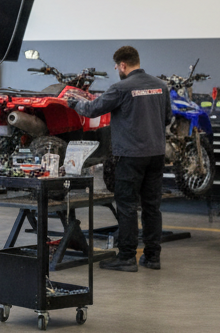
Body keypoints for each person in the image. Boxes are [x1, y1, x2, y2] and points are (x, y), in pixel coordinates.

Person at [68, 46, 170, 272]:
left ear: (123, 65)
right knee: (152, 207)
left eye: (116, 66)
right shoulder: (160, 86)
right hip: (156, 154)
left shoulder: (120, 88)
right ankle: (153, 258)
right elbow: (168, 118)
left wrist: (74, 102)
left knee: (127, 207)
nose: (116, 70)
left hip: (130, 155)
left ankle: (126, 258)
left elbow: (93, 109)